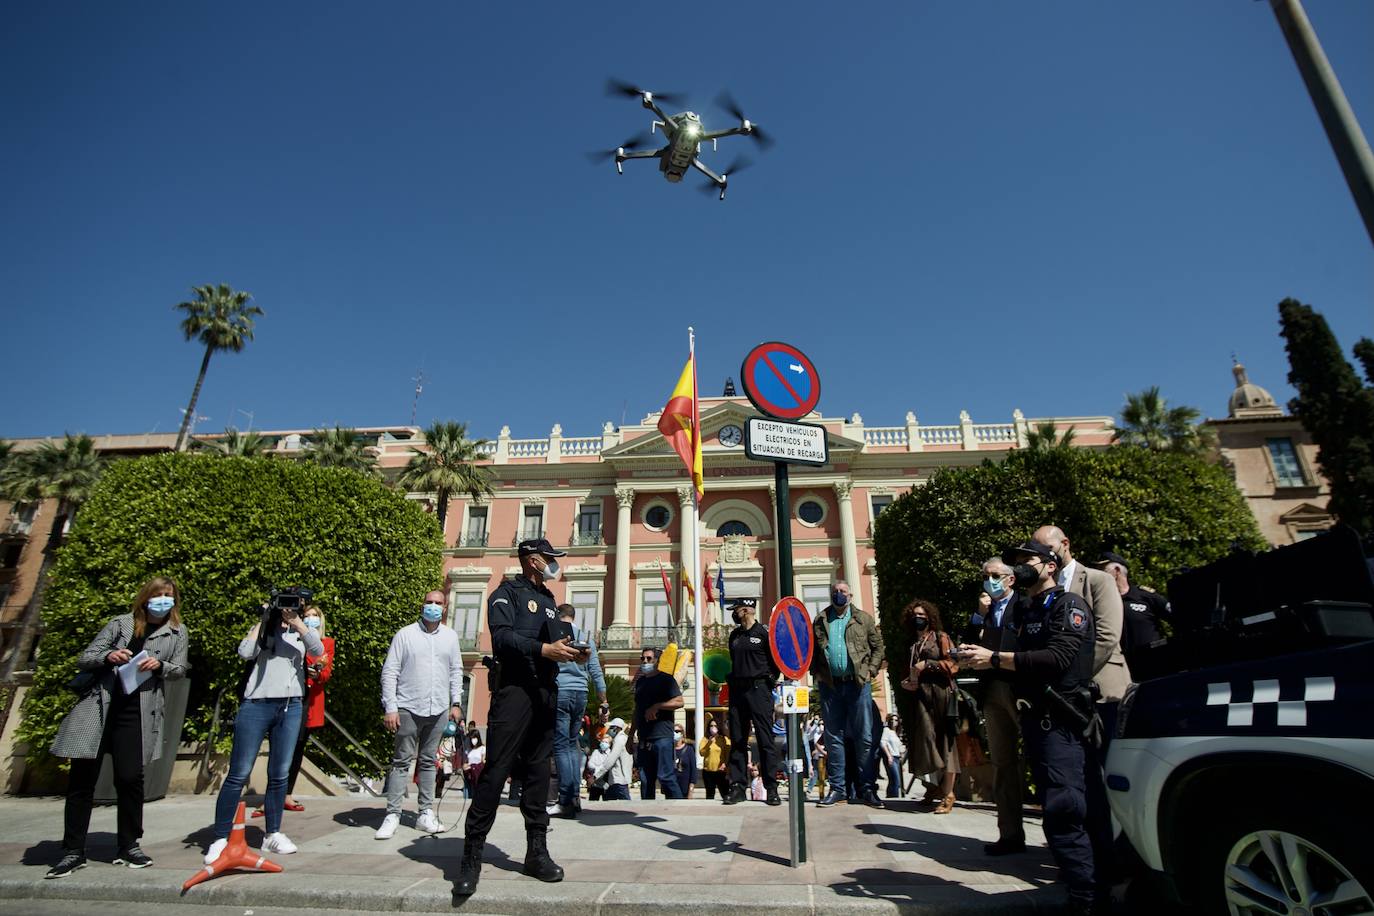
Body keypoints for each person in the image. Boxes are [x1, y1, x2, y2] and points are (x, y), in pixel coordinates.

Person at [958, 541, 1112, 916]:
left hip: (1062, 719)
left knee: (1066, 808)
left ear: (1049, 564)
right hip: (1037, 719)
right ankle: (1080, 889)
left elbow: (1057, 658)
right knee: (1055, 808)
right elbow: (1009, 646)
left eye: (1025, 561)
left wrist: (994, 658)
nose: (1019, 568)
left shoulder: (1068, 605)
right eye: (1014, 564)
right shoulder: (1026, 610)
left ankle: (1088, 898)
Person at [456, 538, 582, 897]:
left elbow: (556, 644)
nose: (554, 563)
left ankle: (536, 852)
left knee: (540, 773)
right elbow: (502, 638)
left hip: (545, 691)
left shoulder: (549, 601)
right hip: (513, 693)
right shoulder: (505, 593)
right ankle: (471, 855)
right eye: (549, 558)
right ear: (531, 559)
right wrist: (543, 648)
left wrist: (573, 654)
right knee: (496, 772)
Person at [47, 577, 190, 878]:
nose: (163, 600)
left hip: (138, 712)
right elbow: (85, 657)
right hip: (101, 708)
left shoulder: (177, 633)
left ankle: (129, 845)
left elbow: (179, 669)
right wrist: (108, 656)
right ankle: (73, 850)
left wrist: (160, 667)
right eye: (157, 595)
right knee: (82, 782)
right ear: (145, 598)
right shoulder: (121, 624)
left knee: (130, 778)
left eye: (168, 596)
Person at [205, 586, 323, 863]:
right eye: (285, 604)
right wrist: (265, 618)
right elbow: (245, 652)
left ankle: (273, 833)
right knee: (239, 773)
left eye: (296, 604)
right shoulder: (265, 627)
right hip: (257, 704)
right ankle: (221, 836)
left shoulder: (300, 629)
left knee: (280, 773)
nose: (290, 608)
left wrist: (297, 623)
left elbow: (316, 649)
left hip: (290, 705)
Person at [375, 589, 465, 840]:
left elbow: (456, 670)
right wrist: (390, 706)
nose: (433, 606)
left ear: (444, 608)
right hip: (407, 706)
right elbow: (390, 671)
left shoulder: (450, 637)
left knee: (428, 761)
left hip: (438, 708)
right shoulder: (405, 635)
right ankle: (392, 813)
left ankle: (425, 812)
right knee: (401, 761)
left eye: (438, 603)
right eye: (429, 602)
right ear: (422, 605)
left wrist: (455, 702)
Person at [1032, 526, 1131, 706]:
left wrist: (1073, 675)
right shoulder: (1041, 589)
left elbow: (1108, 636)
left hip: (1102, 686)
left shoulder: (1098, 580)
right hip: (1060, 694)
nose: (1046, 556)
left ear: (1065, 544)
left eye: (1049, 549)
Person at [809, 580, 885, 808]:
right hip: (830, 686)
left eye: (842, 591)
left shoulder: (863, 619)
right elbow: (812, 649)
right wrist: (817, 672)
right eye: (835, 592)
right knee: (833, 738)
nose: (838, 595)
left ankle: (867, 788)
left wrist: (870, 670)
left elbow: (878, 647)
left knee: (864, 737)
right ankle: (838, 789)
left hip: (858, 685)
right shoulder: (821, 619)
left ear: (850, 595)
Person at [254, 603, 333, 819]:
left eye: (314, 616)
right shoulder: (291, 637)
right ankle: (271, 796)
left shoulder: (326, 643)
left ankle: (287, 793)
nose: (310, 619)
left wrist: (317, 674)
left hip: (309, 701)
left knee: (297, 748)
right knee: (281, 747)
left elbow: (325, 674)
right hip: (290, 694)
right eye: (307, 616)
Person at [974, 558, 1026, 856]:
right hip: (991, 690)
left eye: (995, 575)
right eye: (985, 575)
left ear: (1010, 579)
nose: (989, 580)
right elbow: (972, 641)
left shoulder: (1023, 605)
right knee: (1003, 764)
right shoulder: (986, 609)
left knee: (1039, 758)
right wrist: (979, 616)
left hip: (1019, 688)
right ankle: (1009, 834)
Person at [897, 599, 960, 814]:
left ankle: (949, 793)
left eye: (922, 615)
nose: (918, 618)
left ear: (930, 618)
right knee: (924, 742)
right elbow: (913, 671)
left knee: (945, 742)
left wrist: (929, 665)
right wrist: (909, 682)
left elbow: (954, 664)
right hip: (922, 698)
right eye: (915, 615)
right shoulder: (914, 645)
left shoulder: (940, 638)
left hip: (942, 695)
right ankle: (933, 786)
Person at [548, 603, 608, 819]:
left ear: (558, 616)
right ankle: (574, 798)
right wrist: (604, 701)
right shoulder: (585, 636)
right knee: (573, 745)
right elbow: (596, 671)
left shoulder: (554, 635)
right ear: (573, 617)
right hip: (581, 693)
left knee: (561, 746)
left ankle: (565, 801)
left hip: (560, 691)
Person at [722, 597, 781, 806]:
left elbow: (776, 663)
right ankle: (738, 786)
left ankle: (771, 788)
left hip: (759, 690)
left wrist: (768, 683)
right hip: (738, 691)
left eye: (736, 609)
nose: (733, 613)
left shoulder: (763, 633)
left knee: (765, 740)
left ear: (747, 610)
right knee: (738, 739)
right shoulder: (735, 636)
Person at [1092, 551, 1171, 673]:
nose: (1099, 574)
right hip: (1122, 669)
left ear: (1116, 571)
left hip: (1154, 665)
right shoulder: (1101, 602)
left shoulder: (1144, 596)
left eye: (1102, 569)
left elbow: (1177, 617)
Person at [631, 646, 685, 799]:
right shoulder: (640, 682)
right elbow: (637, 711)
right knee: (645, 779)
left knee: (666, 776)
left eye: (649, 658)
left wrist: (658, 706)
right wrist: (630, 737)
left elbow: (680, 701)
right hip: (644, 738)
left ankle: (680, 807)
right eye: (642, 659)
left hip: (662, 737)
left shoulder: (666, 680)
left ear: (657, 660)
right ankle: (646, 810)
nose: (645, 661)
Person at [590, 717, 632, 801]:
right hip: (618, 780)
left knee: (625, 805)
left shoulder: (619, 740)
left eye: (611, 728)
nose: (609, 730)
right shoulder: (623, 739)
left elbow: (610, 760)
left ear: (617, 728)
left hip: (619, 780)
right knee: (610, 806)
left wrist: (596, 775)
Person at [697, 716, 730, 800]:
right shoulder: (705, 739)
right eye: (711, 726)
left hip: (720, 771)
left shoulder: (723, 739)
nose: (713, 728)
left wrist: (725, 764)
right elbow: (701, 753)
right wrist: (708, 743)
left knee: (725, 793)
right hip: (708, 771)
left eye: (715, 726)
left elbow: (728, 753)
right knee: (710, 794)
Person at [878, 715, 904, 799]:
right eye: (892, 720)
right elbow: (882, 743)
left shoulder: (896, 733)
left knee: (894, 779)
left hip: (897, 758)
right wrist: (889, 756)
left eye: (896, 720)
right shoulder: (887, 730)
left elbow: (899, 747)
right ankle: (893, 797)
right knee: (895, 779)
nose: (893, 721)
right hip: (890, 757)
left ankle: (890, 796)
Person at [672, 724, 698, 798]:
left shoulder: (689, 749)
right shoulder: (669, 750)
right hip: (671, 787)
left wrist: (691, 790)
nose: (675, 733)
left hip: (685, 788)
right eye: (673, 731)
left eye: (677, 731)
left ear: (682, 733)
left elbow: (693, 771)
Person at [463, 731, 486, 797]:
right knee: (469, 794)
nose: (473, 740)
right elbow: (466, 761)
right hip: (469, 773)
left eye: (474, 738)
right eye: (471, 738)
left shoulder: (482, 748)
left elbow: (483, 761)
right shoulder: (468, 749)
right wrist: (465, 766)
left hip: (478, 773)